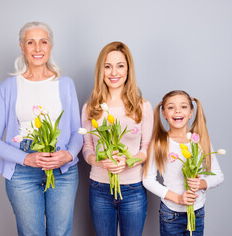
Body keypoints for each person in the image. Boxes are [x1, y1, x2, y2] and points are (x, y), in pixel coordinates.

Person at [0, 21, 82, 236]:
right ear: (22, 47)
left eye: (43, 42)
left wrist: (68, 155)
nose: (37, 48)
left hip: (62, 171)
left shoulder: (65, 84)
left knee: (60, 233)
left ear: (50, 46)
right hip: (22, 172)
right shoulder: (8, 87)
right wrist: (26, 158)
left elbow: (77, 132)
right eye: (31, 42)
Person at [81, 41, 154, 236]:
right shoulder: (90, 108)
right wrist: (100, 162)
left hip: (133, 188)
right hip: (99, 188)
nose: (114, 72)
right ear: (101, 71)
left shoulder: (142, 106)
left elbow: (146, 147)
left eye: (120, 65)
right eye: (107, 66)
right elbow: (87, 147)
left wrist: (128, 161)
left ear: (128, 70)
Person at [143, 90, 224, 236]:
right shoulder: (159, 143)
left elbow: (218, 176)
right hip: (171, 214)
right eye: (171, 107)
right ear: (164, 113)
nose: (177, 111)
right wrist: (178, 198)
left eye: (183, 107)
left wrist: (202, 184)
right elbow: (148, 180)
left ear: (191, 112)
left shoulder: (200, 141)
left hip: (197, 212)